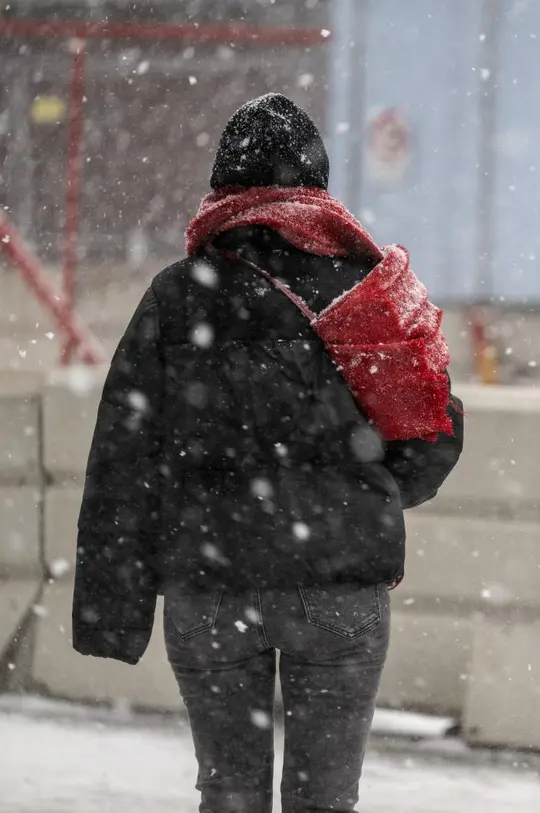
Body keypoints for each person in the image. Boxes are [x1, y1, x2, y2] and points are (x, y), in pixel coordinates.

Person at [71, 93, 463, 813]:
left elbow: (123, 457)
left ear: (222, 189)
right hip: (340, 587)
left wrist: (111, 609)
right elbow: (435, 427)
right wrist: (360, 500)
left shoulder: (178, 296)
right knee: (326, 797)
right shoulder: (367, 285)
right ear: (317, 185)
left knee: (230, 791)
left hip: (212, 580)